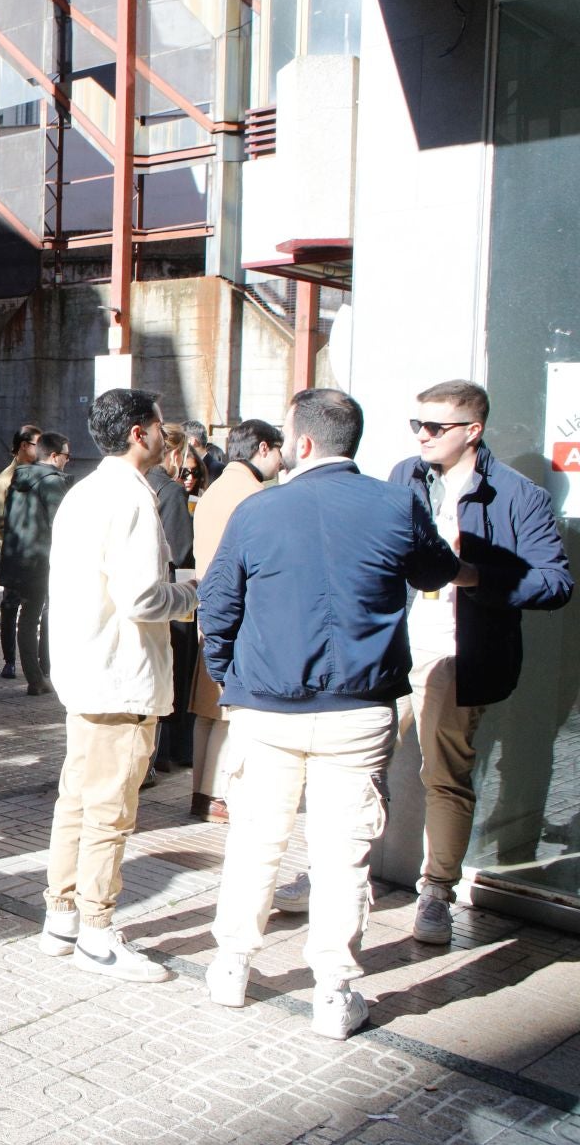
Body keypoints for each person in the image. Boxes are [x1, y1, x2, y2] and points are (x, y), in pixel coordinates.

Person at [198, 388, 464, 1040]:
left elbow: (218, 604)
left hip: (266, 708)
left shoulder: (259, 510)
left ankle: (232, 965)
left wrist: (228, 678)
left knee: (256, 840)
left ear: (305, 442)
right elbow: (439, 568)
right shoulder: (396, 501)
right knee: (344, 855)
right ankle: (334, 993)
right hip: (359, 709)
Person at [385, 380, 571, 944]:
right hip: (392, 646)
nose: (422, 436)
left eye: (436, 427)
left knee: (446, 776)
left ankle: (436, 891)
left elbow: (555, 582)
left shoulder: (517, 495)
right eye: (417, 424)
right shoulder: (403, 477)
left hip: (457, 653)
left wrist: (474, 576)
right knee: (360, 766)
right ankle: (333, 873)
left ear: (473, 430)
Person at [38, 388, 198, 982]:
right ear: (139, 432)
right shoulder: (130, 498)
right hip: (119, 674)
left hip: (87, 671)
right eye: (158, 426)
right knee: (109, 810)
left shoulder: (85, 490)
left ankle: (62, 918)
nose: (164, 435)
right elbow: (143, 598)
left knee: (78, 800)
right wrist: (194, 593)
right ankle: (98, 933)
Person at [185, 418, 285, 822]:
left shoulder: (216, 489)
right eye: (278, 449)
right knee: (228, 712)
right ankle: (218, 795)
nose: (282, 459)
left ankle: (202, 792)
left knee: (209, 710)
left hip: (209, 610)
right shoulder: (252, 494)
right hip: (238, 615)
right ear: (263, 448)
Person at [0, 431, 71, 697]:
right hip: (43, 560)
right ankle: (41, 675)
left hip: (18, 558)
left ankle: (35, 677)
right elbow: (63, 525)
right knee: (45, 616)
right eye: (66, 456)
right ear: (54, 456)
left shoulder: (20, 477)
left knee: (27, 619)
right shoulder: (51, 482)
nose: (67, 461)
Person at [149, 428, 199, 776]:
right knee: (176, 675)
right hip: (172, 598)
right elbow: (181, 555)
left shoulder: (140, 484)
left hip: (148, 601)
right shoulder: (171, 492)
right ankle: (168, 751)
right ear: (174, 456)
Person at [0, 424, 43, 679]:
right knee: (10, 607)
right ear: (24, 446)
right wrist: (16, 543)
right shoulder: (4, 480)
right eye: (36, 444)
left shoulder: (42, 476)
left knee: (37, 609)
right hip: (14, 556)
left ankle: (39, 663)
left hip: (38, 557)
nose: (40, 450)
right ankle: (9, 659)